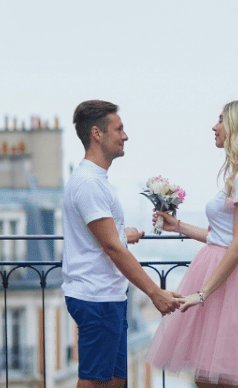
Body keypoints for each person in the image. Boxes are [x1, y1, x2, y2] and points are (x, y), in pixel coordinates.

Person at [147, 100, 238, 387]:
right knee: (211, 378)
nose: (214, 126)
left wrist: (203, 293)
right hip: (223, 275)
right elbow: (222, 236)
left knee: (224, 379)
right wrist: (179, 226)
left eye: (221, 120)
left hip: (227, 281)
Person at [63, 100, 185, 388]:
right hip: (96, 297)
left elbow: (106, 237)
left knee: (116, 380)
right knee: (94, 382)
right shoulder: (89, 184)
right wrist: (155, 293)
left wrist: (120, 234)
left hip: (109, 297)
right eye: (119, 129)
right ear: (97, 133)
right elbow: (113, 248)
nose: (125, 135)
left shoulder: (97, 180)